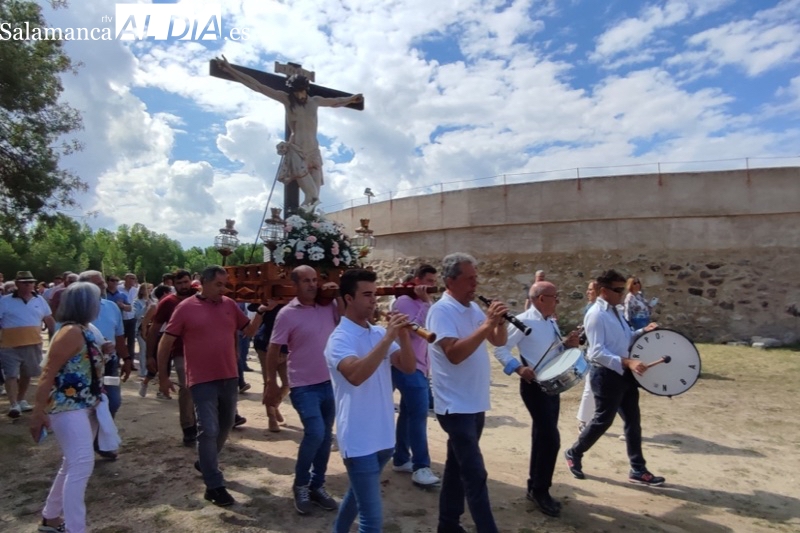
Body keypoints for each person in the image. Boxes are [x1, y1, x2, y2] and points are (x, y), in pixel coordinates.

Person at [157, 266, 268, 507]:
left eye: (225, 284)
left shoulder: (229, 304)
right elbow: (166, 342)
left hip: (228, 377)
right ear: (204, 283)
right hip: (201, 379)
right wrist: (163, 376)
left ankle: (205, 462)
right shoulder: (185, 308)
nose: (223, 288)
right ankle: (214, 485)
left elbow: (247, 331)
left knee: (226, 423)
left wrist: (260, 312)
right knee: (208, 429)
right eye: (219, 284)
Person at [324, 268, 416, 533]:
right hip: (359, 438)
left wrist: (403, 337)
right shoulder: (339, 339)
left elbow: (408, 367)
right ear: (348, 299)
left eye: (374, 294)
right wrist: (388, 338)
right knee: (372, 520)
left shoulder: (377, 333)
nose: (373, 300)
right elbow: (355, 375)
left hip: (384, 436)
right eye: (366, 295)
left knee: (357, 497)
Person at [426, 253, 509, 533]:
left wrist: (500, 321)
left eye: (476, 277)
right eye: (470, 278)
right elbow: (454, 354)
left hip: (474, 403)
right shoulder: (441, 311)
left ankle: (447, 525)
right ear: (451, 281)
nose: (476, 283)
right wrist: (487, 324)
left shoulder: (473, 309)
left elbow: (498, 340)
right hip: (454, 406)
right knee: (475, 474)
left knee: (455, 469)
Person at [214, 55, 364, 209]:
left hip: (313, 152)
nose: (298, 95)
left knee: (314, 199)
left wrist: (351, 99)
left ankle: (303, 227)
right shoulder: (286, 99)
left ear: (306, 89)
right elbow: (257, 86)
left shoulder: (315, 101)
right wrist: (230, 69)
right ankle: (297, 226)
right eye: (295, 92)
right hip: (297, 151)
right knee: (312, 196)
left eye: (301, 91)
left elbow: (336, 102)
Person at [564, 270, 665, 486]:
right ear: (604, 291)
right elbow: (596, 352)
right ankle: (574, 452)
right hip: (606, 375)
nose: (622, 293)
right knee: (603, 420)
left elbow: (626, 338)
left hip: (624, 373)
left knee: (633, 421)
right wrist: (628, 362)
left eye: (622, 289)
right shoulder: (595, 315)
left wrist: (642, 331)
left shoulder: (617, 311)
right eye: (618, 290)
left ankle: (638, 469)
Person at [493, 281, 581, 517]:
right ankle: (541, 491)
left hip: (551, 385)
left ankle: (535, 486)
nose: (558, 300)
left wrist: (567, 344)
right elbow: (500, 349)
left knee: (542, 436)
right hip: (534, 387)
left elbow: (552, 350)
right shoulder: (523, 321)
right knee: (550, 439)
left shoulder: (550, 320)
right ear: (541, 298)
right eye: (555, 296)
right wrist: (519, 369)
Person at [30, 282, 107, 533]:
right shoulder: (70, 332)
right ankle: (76, 528)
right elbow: (48, 373)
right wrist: (38, 412)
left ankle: (51, 518)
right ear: (86, 304)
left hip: (85, 404)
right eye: (96, 299)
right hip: (67, 406)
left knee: (72, 463)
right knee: (81, 465)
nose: (99, 304)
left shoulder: (83, 330)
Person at [263, 265, 341, 515]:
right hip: (303, 385)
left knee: (326, 435)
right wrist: (270, 382)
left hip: (331, 383)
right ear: (295, 285)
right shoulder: (287, 314)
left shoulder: (329, 307)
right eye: (306, 280)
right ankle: (300, 486)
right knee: (316, 433)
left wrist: (337, 293)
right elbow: (274, 349)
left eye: (315, 280)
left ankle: (317, 486)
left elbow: (351, 319)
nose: (312, 284)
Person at [390, 264, 441, 487]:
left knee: (409, 413)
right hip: (406, 365)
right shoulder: (403, 301)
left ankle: (401, 458)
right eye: (428, 281)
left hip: (421, 366)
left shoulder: (425, 303)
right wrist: (426, 305)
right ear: (418, 280)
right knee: (419, 415)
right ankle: (421, 466)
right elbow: (412, 332)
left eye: (433, 281)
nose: (431, 286)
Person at [144, 270, 198, 442]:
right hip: (180, 351)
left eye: (186, 282)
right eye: (179, 283)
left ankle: (201, 422)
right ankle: (188, 426)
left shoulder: (200, 298)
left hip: (203, 350)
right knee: (187, 386)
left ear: (191, 281)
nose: (183, 286)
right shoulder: (168, 303)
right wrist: (150, 356)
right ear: (173, 284)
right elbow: (154, 330)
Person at [0, 271, 56, 418]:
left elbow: (48, 318)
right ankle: (13, 405)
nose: (28, 285)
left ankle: (20, 399)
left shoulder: (40, 300)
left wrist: (56, 335)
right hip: (9, 345)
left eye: (30, 282)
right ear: (17, 284)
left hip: (33, 343)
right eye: (25, 282)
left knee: (27, 374)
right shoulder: (5, 301)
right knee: (11, 374)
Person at [576, 281, 599, 431]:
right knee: (590, 386)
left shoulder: (601, 308)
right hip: (592, 352)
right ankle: (584, 421)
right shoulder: (590, 308)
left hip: (598, 351)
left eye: (591, 290)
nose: (587, 292)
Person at [132, 283, 154, 379]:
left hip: (151, 328)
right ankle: (142, 371)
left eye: (150, 289)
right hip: (140, 328)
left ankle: (150, 370)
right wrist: (145, 307)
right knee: (143, 349)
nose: (149, 290)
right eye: (146, 289)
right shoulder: (136, 302)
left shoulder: (153, 301)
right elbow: (136, 315)